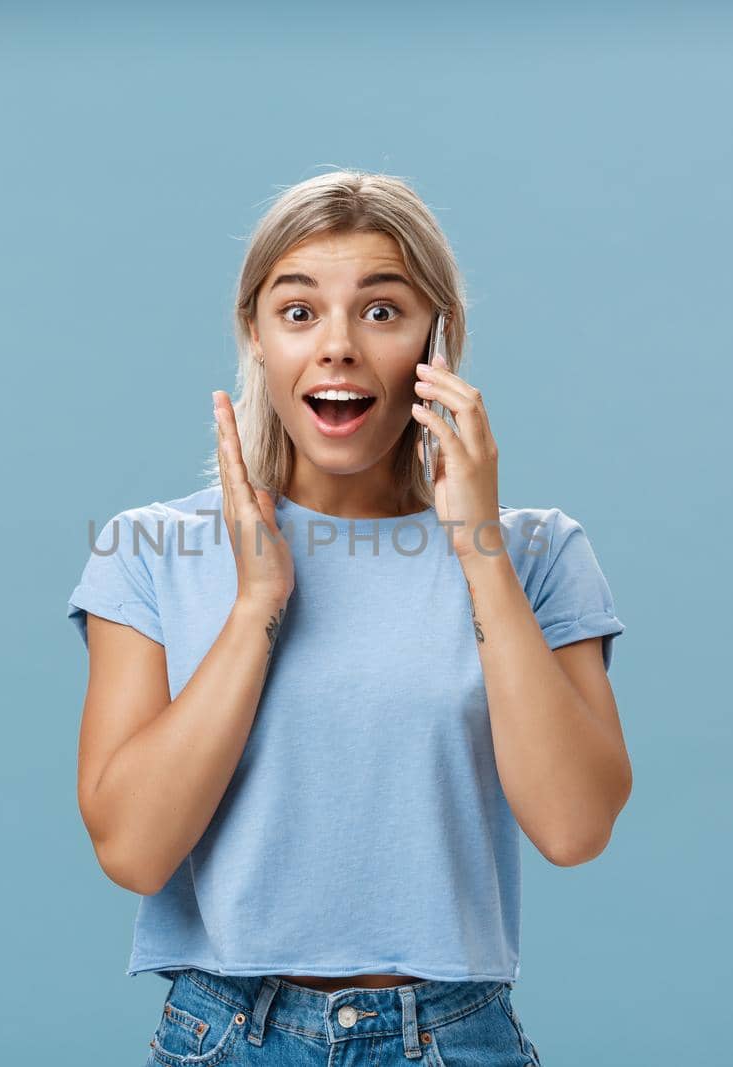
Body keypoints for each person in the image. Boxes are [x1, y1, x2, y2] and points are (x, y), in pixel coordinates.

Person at [67, 170, 629, 1066]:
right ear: (255, 334)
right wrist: (256, 602)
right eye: (299, 312)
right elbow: (133, 849)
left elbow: (574, 826)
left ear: (436, 338)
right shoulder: (149, 548)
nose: (337, 347)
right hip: (228, 1034)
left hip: (451, 1037)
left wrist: (477, 547)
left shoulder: (538, 553)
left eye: (380, 311)